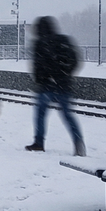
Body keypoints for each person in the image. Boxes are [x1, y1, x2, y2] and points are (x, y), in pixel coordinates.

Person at [24, 15, 85, 156]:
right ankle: (78, 144)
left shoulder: (40, 43)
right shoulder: (64, 40)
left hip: (45, 86)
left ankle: (39, 142)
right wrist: (64, 74)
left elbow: (37, 65)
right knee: (67, 115)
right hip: (63, 85)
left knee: (40, 114)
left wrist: (41, 78)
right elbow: (75, 60)